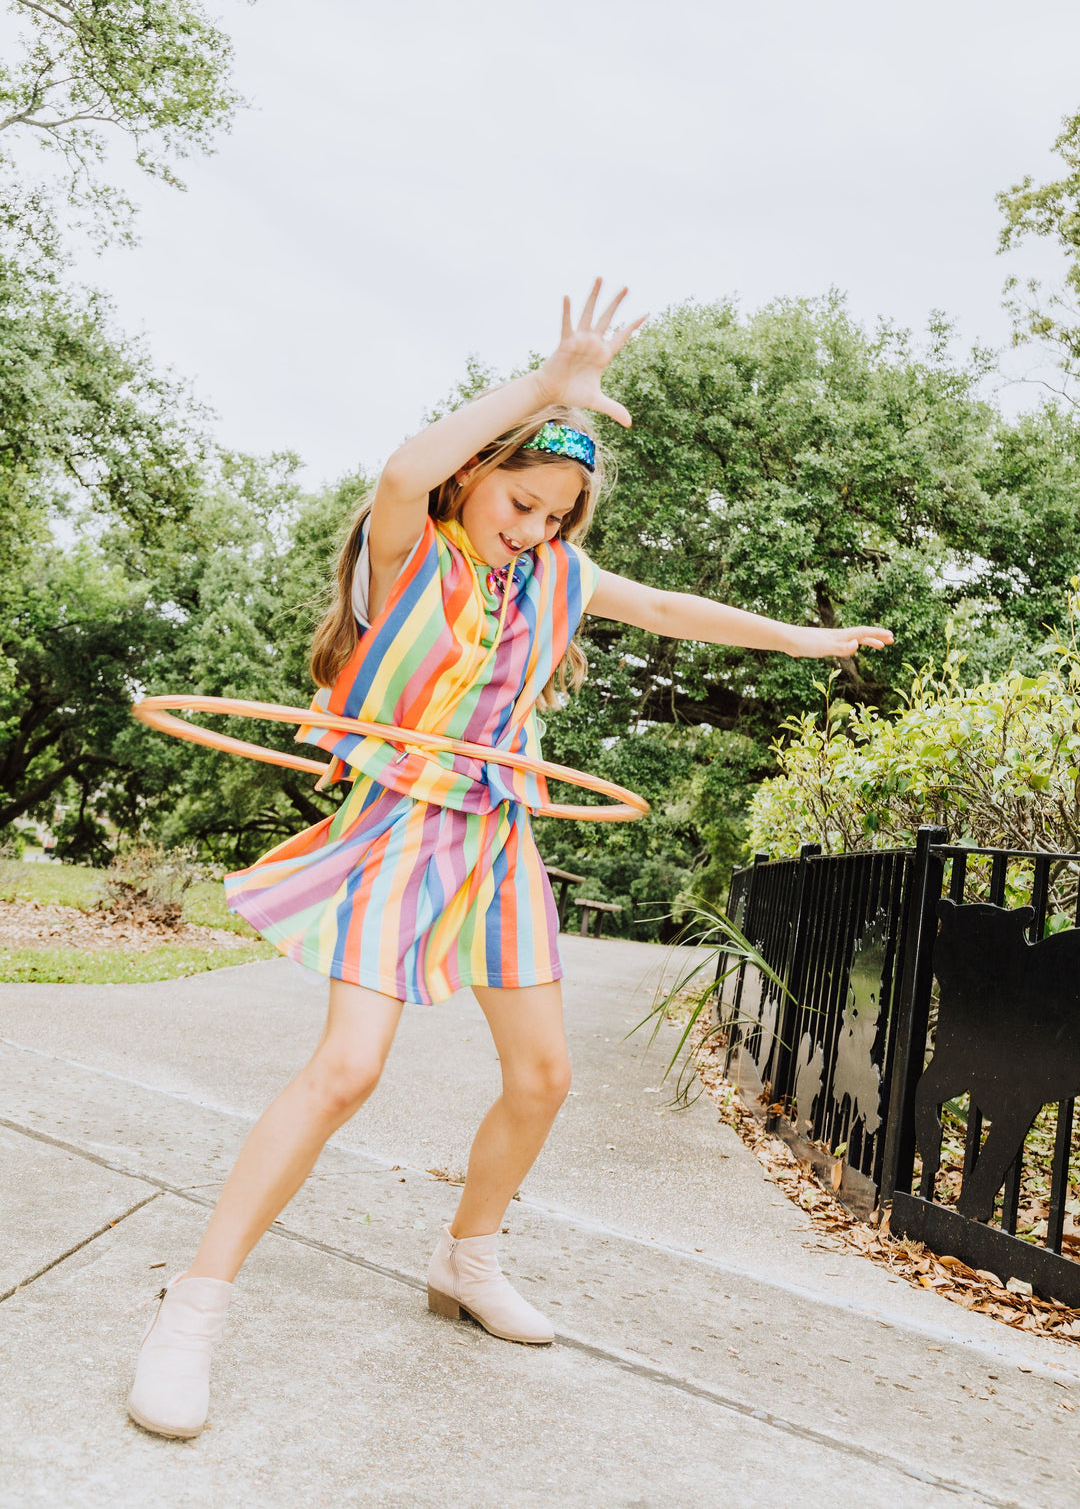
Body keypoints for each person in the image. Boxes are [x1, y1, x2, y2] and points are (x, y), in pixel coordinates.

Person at [127, 281, 893, 1438]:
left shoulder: (553, 581)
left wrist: (806, 638)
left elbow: (675, 611)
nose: (532, 530)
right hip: (397, 827)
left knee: (543, 1078)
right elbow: (397, 470)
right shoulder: (412, 553)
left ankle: (467, 1259)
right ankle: (196, 1303)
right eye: (520, 501)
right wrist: (546, 384)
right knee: (347, 1070)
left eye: (554, 519)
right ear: (473, 475)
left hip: (497, 839)